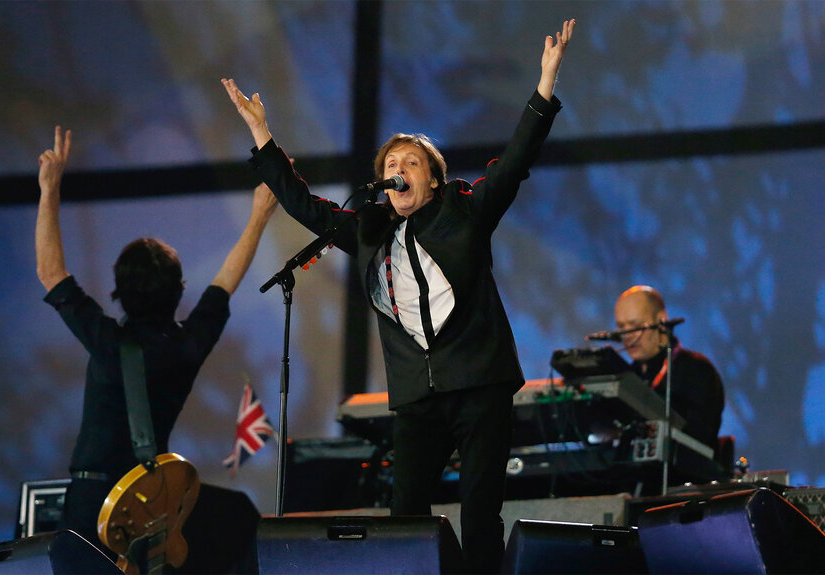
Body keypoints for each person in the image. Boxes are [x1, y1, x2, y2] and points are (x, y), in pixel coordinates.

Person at [222, 19, 575, 573]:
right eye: (391, 165)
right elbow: (305, 206)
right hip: (417, 396)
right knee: (405, 513)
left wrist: (544, 86)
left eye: (411, 163)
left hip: (480, 382)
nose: (399, 170)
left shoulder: (464, 212)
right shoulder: (368, 230)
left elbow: (514, 163)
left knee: (481, 513)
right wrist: (263, 136)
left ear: (433, 178)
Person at [35, 125, 278, 553]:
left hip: (91, 506)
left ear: (119, 292)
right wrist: (259, 214)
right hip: (154, 504)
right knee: (238, 516)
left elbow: (51, 274)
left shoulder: (106, 340)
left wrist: (50, 187)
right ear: (179, 290)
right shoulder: (188, 345)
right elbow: (223, 284)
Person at [614, 285, 725, 452]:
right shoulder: (623, 378)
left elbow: (701, 443)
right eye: (622, 327)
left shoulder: (697, 371)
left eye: (635, 325)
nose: (628, 336)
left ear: (661, 320)